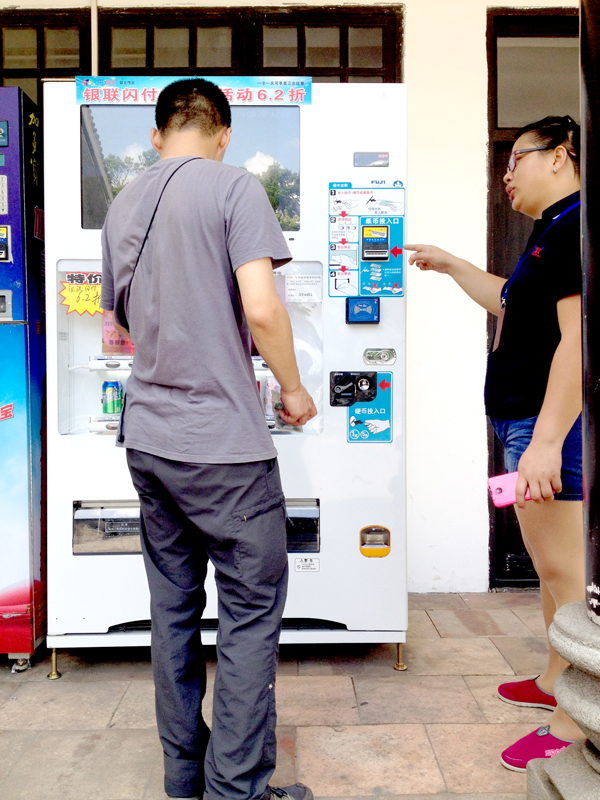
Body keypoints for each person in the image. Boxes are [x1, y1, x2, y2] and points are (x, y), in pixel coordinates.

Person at [100, 78, 317, 800]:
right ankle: (237, 791)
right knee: (250, 617)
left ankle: (184, 779)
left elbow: (127, 323)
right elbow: (262, 310)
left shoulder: (124, 203)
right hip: (223, 445)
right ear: (225, 134)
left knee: (172, 612)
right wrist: (292, 389)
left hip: (150, 441)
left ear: (159, 136)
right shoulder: (234, 188)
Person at [406, 115, 584, 773]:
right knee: (548, 569)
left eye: (518, 158)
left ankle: (573, 721)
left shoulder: (574, 229)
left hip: (548, 430)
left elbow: (578, 340)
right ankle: (551, 682)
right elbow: (508, 303)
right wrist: (452, 266)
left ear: (562, 156)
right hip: (525, 425)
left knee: (566, 575)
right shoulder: (549, 233)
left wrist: (543, 442)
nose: (507, 173)